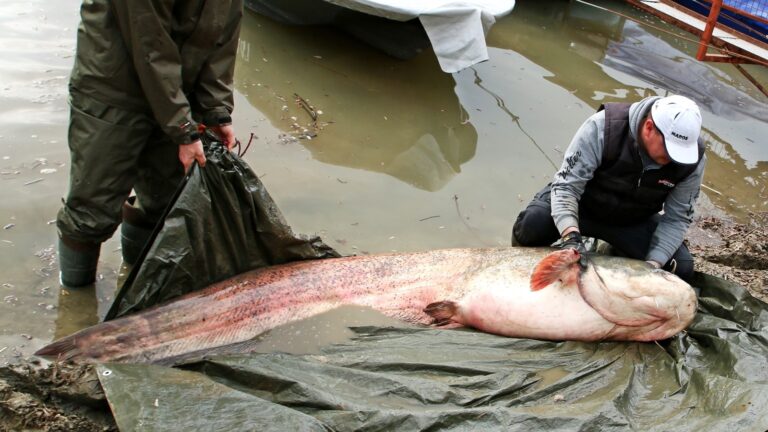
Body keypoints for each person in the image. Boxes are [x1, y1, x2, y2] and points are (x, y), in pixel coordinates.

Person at [56, 0, 244, 287]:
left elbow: (222, 43)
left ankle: (135, 280)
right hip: (113, 90)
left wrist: (216, 111)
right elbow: (150, 46)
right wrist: (184, 129)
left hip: (177, 91)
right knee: (91, 211)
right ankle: (75, 302)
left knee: (163, 202)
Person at [512, 95, 706, 282]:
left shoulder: (692, 161)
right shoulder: (602, 127)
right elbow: (566, 188)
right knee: (531, 227)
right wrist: (571, 237)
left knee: (681, 268)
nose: (675, 159)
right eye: (671, 150)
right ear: (648, 128)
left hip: (632, 220)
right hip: (583, 206)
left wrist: (652, 266)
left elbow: (677, 218)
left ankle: (611, 252)